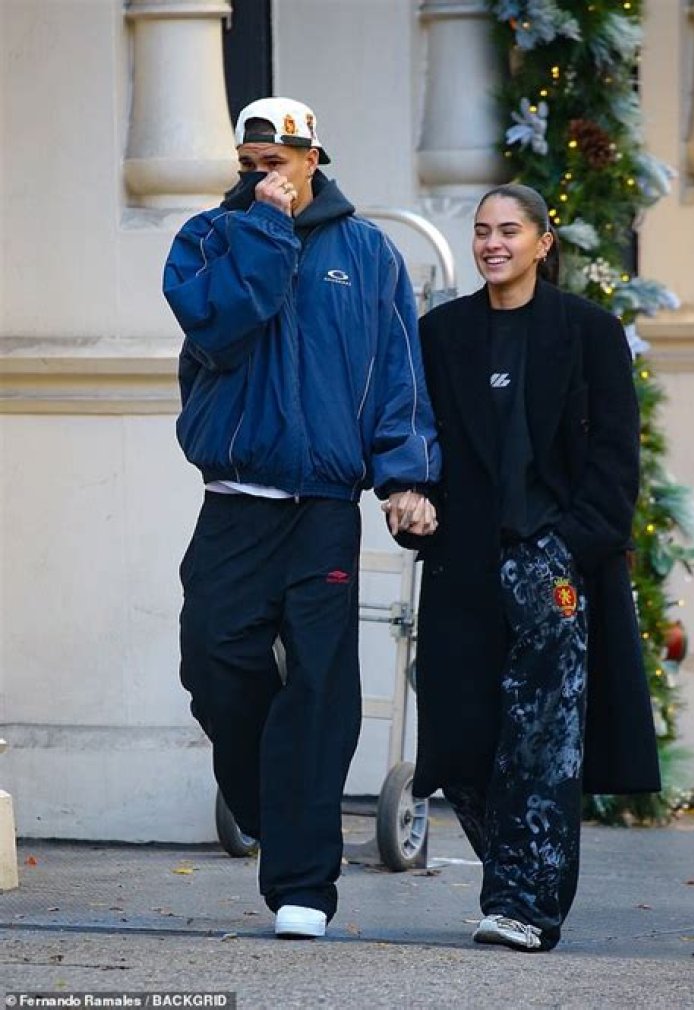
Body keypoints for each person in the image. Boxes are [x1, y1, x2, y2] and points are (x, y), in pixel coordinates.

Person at [162, 97, 440, 939]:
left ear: (313, 157)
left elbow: (398, 371)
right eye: (250, 165)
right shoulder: (208, 239)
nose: (263, 176)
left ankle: (304, 887)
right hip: (234, 504)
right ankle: (271, 812)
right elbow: (220, 328)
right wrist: (266, 229)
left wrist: (404, 476)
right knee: (214, 662)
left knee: (320, 689)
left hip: (323, 509)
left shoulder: (369, 253)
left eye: (276, 163)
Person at [394, 183, 660, 952]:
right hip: (464, 564)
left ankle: (525, 905)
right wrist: (412, 497)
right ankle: (514, 881)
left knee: (544, 743)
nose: (492, 243)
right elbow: (420, 439)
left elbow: (616, 457)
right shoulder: (440, 334)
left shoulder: (590, 332)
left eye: (509, 230)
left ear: (544, 243)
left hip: (554, 566)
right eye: (482, 230)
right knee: (461, 739)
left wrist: (569, 546)